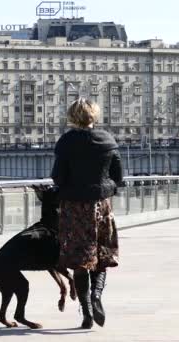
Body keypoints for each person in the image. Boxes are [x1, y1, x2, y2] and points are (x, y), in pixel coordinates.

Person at [51, 98, 123, 329]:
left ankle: (86, 311)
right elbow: (118, 176)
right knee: (101, 253)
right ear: (95, 116)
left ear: (72, 116)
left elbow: (58, 177)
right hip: (101, 205)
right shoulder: (107, 140)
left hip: (74, 207)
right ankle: (96, 296)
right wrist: (106, 189)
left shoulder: (66, 142)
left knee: (80, 260)